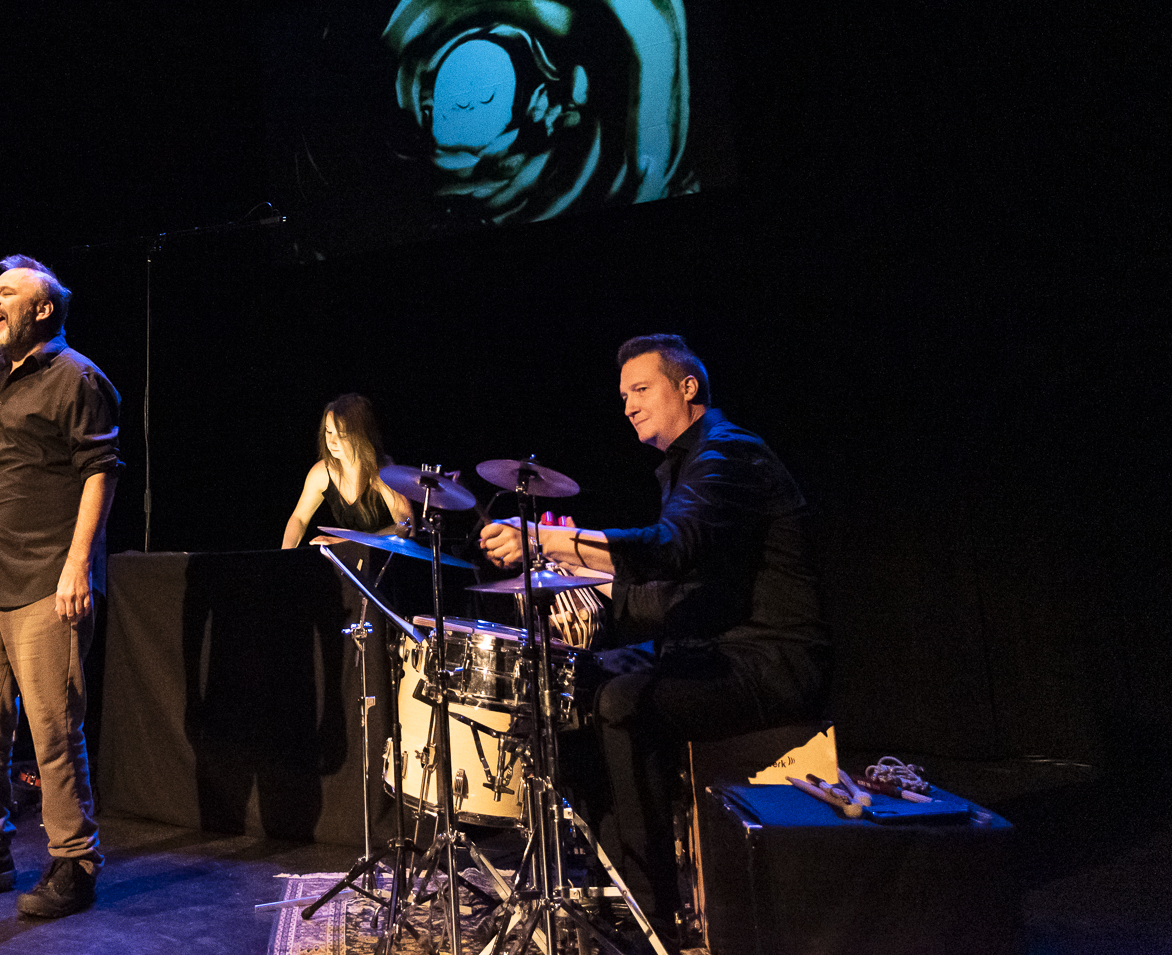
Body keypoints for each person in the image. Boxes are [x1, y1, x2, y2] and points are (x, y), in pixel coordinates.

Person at [479, 335, 829, 933]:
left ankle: (650, 915)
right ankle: (604, 876)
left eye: (641, 390)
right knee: (575, 678)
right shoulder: (689, 465)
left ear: (687, 388)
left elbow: (670, 549)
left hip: (773, 658)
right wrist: (592, 580)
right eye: (623, 396)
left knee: (623, 702)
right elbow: (689, 590)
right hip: (718, 644)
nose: (628, 406)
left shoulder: (728, 453)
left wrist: (548, 539)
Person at [0, 256, 121, 920]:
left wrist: (77, 566)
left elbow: (101, 473)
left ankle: (75, 860)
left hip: (50, 580)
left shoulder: (78, 378)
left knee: (52, 730)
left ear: (43, 308)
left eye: (7, 291)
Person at [280, 393, 415, 548]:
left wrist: (347, 542)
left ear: (360, 436)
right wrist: (285, 556)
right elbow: (299, 519)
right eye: (328, 431)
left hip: (388, 558)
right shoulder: (321, 473)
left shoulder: (384, 471)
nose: (331, 441)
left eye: (342, 434)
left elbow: (406, 529)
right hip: (351, 559)